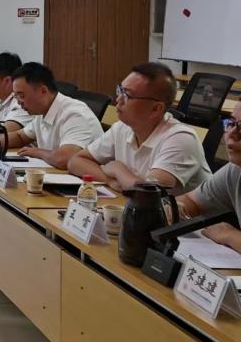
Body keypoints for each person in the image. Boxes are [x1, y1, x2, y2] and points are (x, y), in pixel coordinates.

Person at [68, 62, 210, 196]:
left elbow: (148, 194)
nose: (118, 100)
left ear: (155, 109)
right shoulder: (123, 128)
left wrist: (118, 169)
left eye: (127, 95)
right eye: (120, 90)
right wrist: (109, 180)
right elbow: (76, 161)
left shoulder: (181, 139)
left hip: (180, 214)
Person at [6, 62, 103, 169]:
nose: (18, 102)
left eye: (21, 95)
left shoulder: (75, 114)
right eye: (16, 96)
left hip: (83, 178)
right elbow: (20, 136)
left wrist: (37, 152)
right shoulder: (42, 110)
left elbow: (63, 159)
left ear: (43, 91)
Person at [177, 104, 241, 252]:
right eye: (231, 123)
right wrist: (173, 208)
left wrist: (231, 235)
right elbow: (193, 201)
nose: (232, 134)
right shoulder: (235, 170)